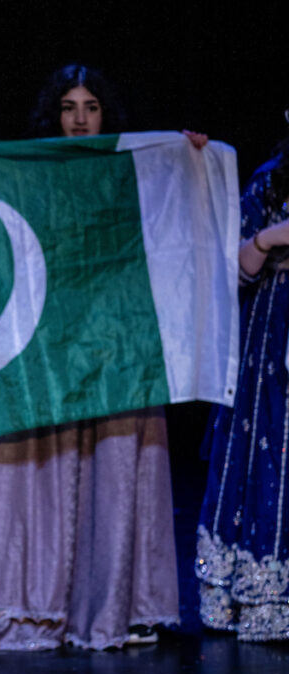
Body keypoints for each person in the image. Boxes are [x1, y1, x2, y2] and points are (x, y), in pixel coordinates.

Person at [0, 64, 195, 651]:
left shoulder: (126, 173)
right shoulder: (31, 175)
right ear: (53, 116)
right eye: (69, 107)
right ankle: (34, 605)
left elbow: (171, 228)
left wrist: (188, 159)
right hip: (48, 353)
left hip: (116, 351)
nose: (80, 118)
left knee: (117, 472)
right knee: (45, 470)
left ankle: (118, 607)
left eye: (91, 106)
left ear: (106, 115)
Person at [196, 115, 289, 641]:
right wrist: (271, 238)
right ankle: (257, 595)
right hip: (269, 344)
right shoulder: (270, 181)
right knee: (265, 454)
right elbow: (231, 271)